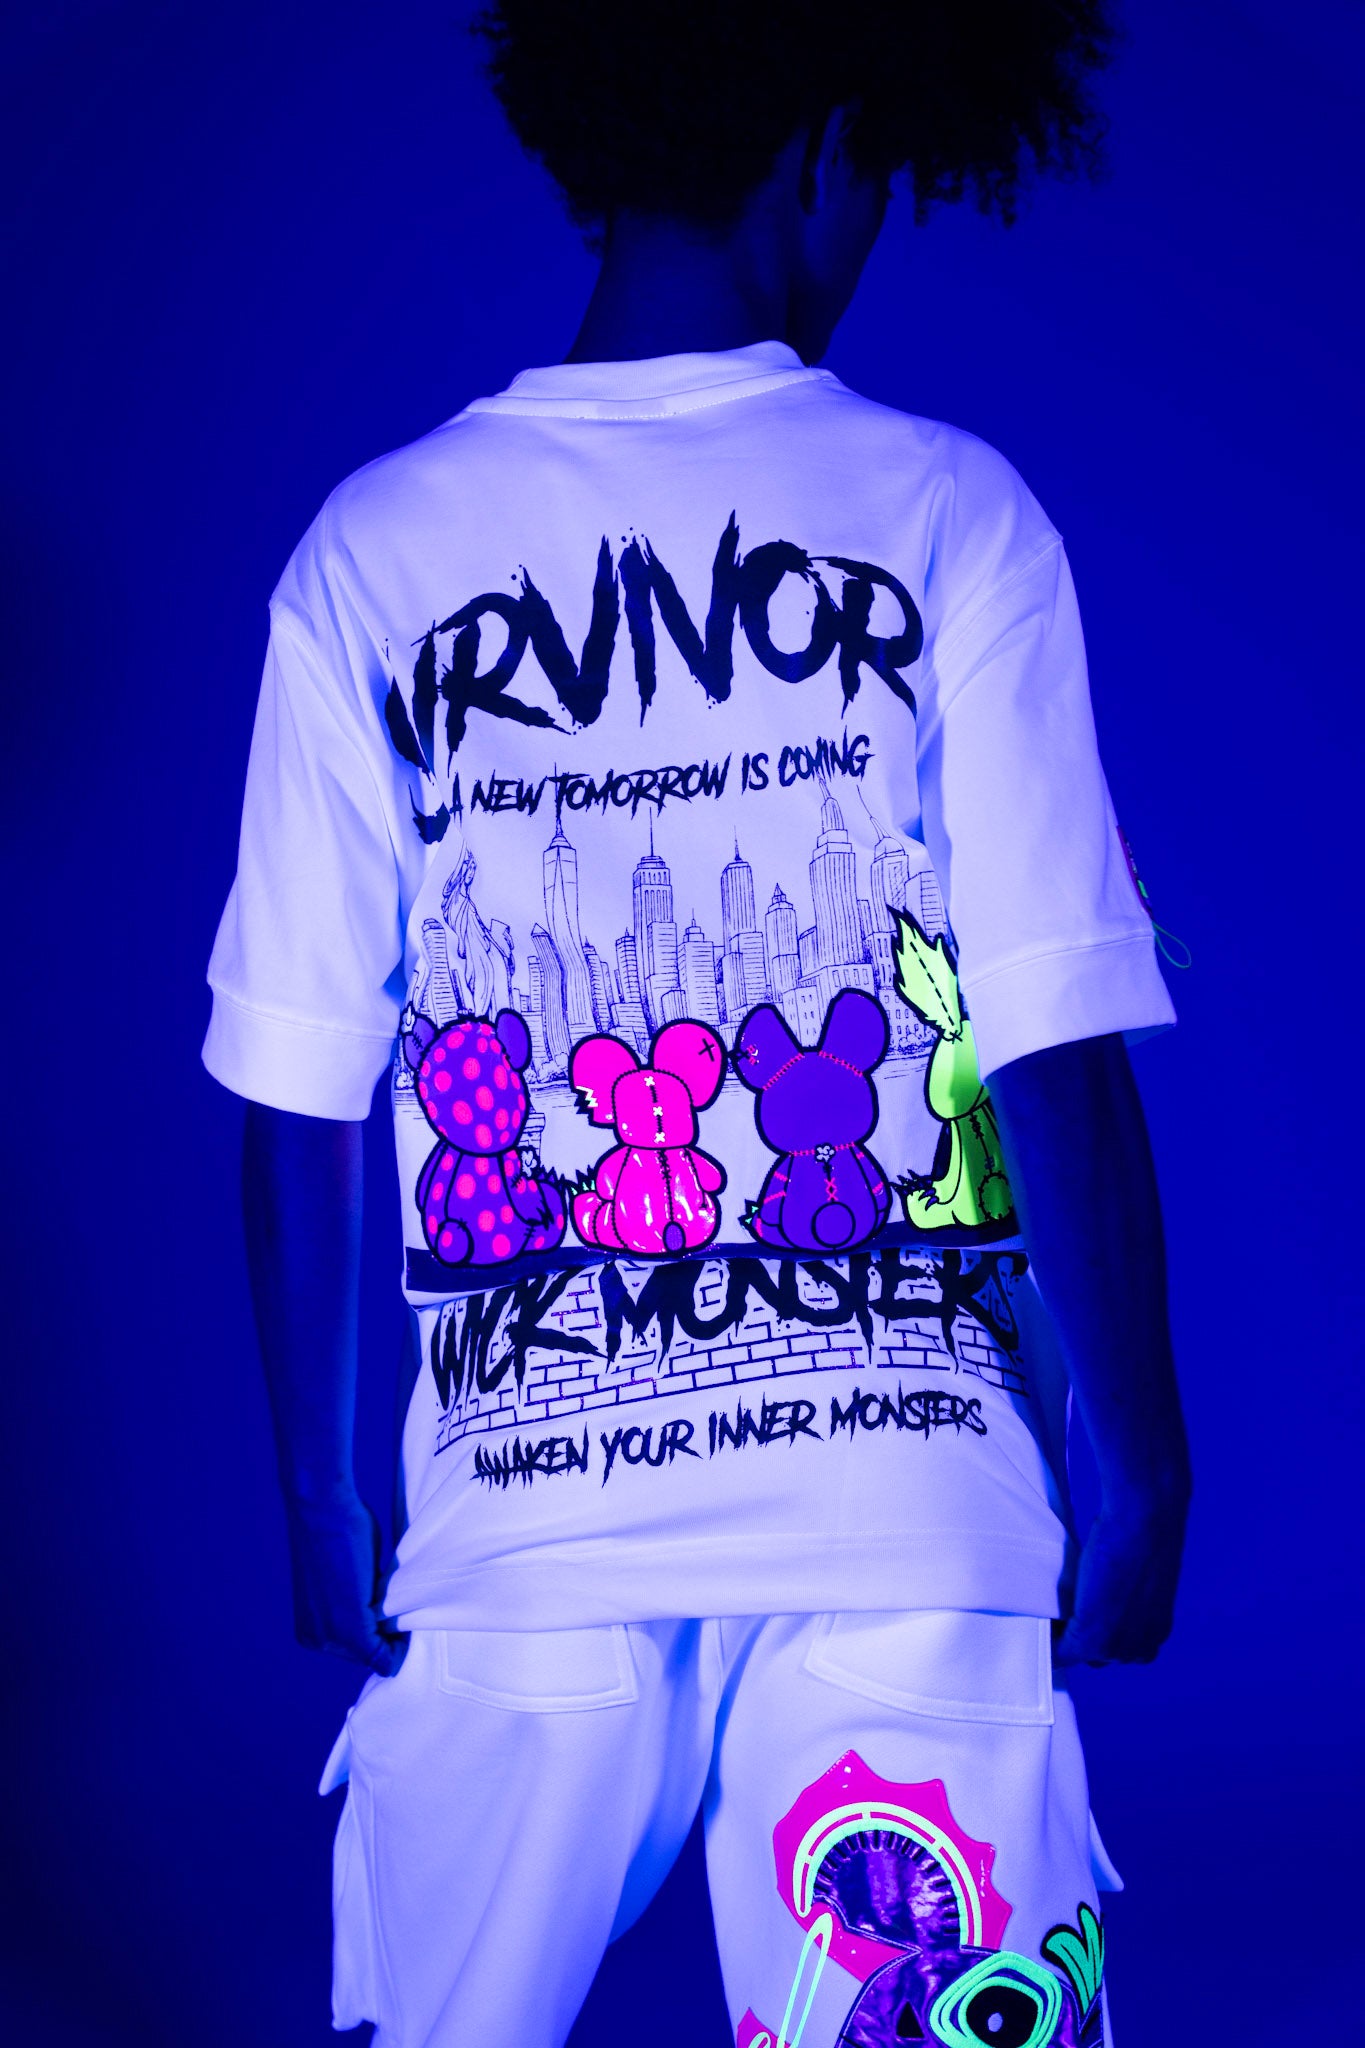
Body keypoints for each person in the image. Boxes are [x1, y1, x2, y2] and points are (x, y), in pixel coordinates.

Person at [204, 4, 1190, 2043]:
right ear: (827, 153)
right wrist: (1136, 1451)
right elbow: (1047, 1021)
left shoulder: (366, 554)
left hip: (513, 1527)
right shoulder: (949, 512)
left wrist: (319, 1484)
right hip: (909, 1511)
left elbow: (297, 1077)